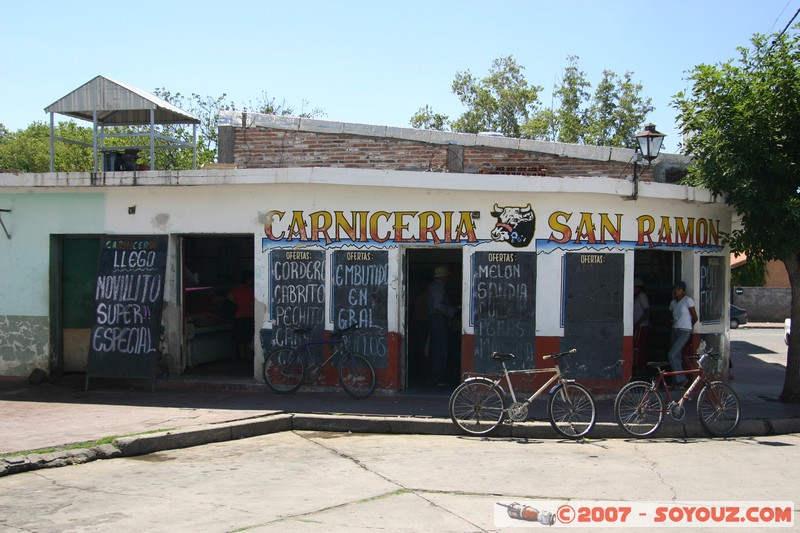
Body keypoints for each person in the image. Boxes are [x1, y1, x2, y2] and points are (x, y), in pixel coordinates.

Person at [426, 266, 455, 386]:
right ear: (443, 277)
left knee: (435, 350)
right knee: (439, 351)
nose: (448, 278)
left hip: (434, 322)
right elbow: (437, 305)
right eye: (447, 276)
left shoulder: (432, 287)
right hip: (439, 322)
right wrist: (451, 310)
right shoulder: (439, 288)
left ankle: (435, 377)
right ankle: (437, 379)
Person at [667, 280, 698, 388]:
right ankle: (676, 382)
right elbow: (670, 316)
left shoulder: (687, 301)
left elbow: (695, 317)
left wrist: (688, 326)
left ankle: (682, 380)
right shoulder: (673, 303)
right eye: (674, 289)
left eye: (678, 289)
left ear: (683, 291)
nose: (676, 291)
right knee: (677, 357)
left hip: (684, 331)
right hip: (675, 330)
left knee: (671, 355)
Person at [228, 269, 255, 361]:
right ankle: (248, 356)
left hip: (238, 316)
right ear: (249, 279)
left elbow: (230, 296)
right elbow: (252, 304)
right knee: (248, 338)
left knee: (240, 339)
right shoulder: (250, 290)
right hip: (248, 315)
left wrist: (237, 303)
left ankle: (242, 356)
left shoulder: (237, 288)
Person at [633, 278, 651, 374]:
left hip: (641, 326)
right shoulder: (637, 297)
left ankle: (639, 369)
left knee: (639, 348)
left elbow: (647, 311)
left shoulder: (641, 296)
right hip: (639, 325)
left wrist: (638, 323)